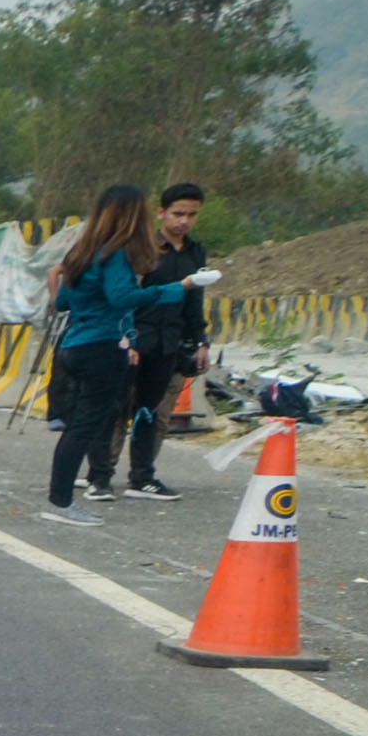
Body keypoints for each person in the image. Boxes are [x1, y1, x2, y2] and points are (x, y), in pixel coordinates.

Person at [36, 183, 213, 523]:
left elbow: (61, 303)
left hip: (73, 345)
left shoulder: (82, 252)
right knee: (87, 427)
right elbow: (122, 298)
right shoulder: (115, 254)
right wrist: (180, 288)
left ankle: (77, 489)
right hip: (102, 347)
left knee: (82, 425)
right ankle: (62, 502)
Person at [124, 182, 211, 500]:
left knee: (155, 415)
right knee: (118, 410)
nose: (184, 221)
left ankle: (142, 476)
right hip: (136, 340)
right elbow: (126, 297)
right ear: (161, 213)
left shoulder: (196, 252)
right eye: (178, 213)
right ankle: (99, 474)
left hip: (170, 343)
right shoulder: (141, 248)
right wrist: (126, 337)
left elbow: (195, 301)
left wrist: (201, 341)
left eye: (192, 215)